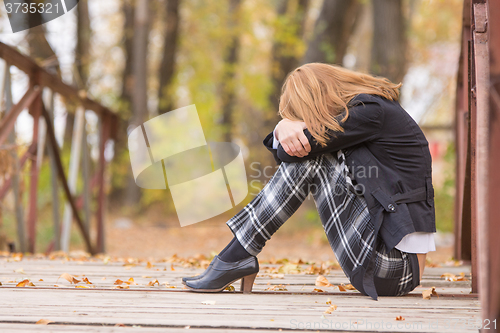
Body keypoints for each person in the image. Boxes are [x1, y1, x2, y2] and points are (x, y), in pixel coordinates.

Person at [182, 63, 436, 300]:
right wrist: (284, 129)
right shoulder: (372, 113)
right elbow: (290, 151)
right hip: (383, 263)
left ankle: (235, 256)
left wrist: (284, 127)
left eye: (303, 113)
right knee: (308, 156)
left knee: (309, 159)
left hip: (395, 267)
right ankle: (236, 256)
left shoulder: (371, 112)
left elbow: (292, 152)